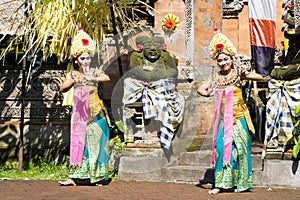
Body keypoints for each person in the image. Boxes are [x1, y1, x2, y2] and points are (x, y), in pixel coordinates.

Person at [197, 28, 263, 194]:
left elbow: (259, 77)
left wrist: (246, 74)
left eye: (226, 59)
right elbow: (201, 89)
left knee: (240, 149)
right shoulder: (216, 78)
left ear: (231, 59)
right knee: (221, 148)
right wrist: (209, 93)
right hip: (224, 121)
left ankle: (241, 183)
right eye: (220, 60)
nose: (223, 62)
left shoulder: (237, 75)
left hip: (240, 117)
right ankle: (221, 183)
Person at [59, 27, 111, 186]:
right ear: (77, 60)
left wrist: (92, 76)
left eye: (88, 58)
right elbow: (63, 87)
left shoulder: (95, 71)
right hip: (80, 115)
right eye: (82, 58)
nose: (86, 61)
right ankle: (74, 177)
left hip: (96, 113)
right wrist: (74, 81)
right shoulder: (73, 74)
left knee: (97, 145)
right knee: (78, 143)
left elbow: (106, 77)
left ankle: (98, 177)